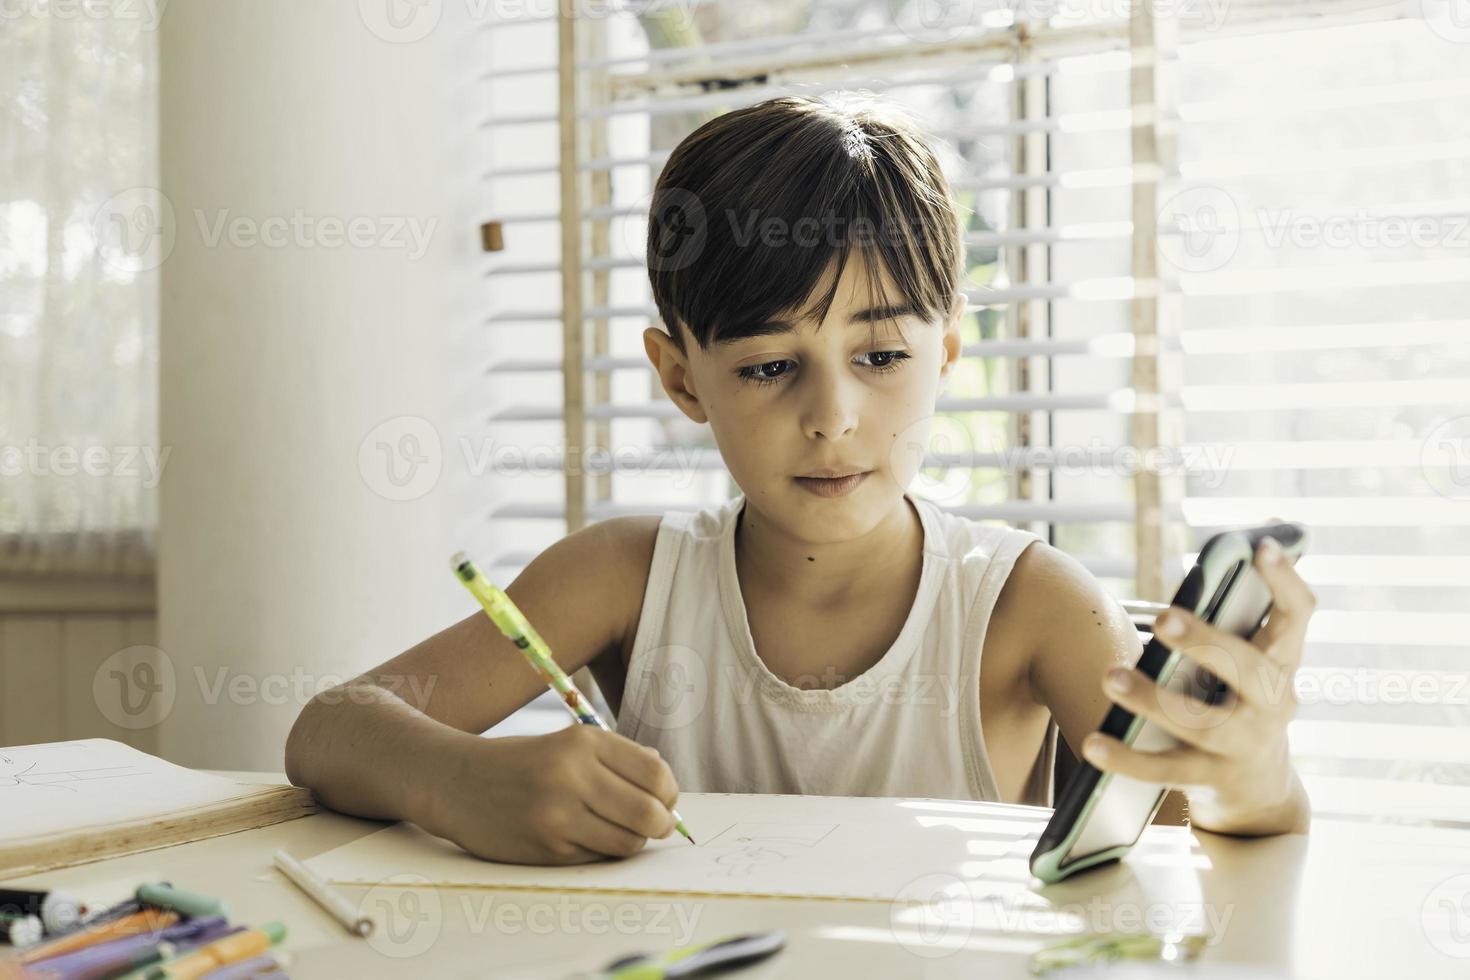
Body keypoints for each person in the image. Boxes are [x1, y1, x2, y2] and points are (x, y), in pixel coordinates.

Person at [285, 94, 1314, 866]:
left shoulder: (1028, 604)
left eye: (880, 358)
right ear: (681, 377)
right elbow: (327, 728)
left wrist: (1254, 773)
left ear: (948, 350)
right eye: (769, 367)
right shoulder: (624, 574)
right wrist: (463, 780)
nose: (832, 416)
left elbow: (1203, 839)